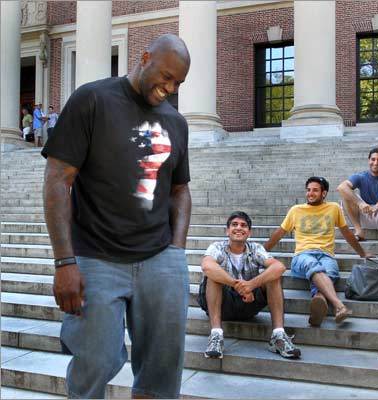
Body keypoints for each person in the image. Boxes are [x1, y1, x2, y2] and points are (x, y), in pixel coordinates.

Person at [41, 34, 192, 399]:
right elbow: (58, 180)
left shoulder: (176, 122)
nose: (170, 88)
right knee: (95, 363)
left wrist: (176, 251)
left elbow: (180, 190)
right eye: (167, 77)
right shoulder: (92, 99)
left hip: (159, 258)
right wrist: (64, 261)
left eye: (178, 83)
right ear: (144, 58)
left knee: (161, 372)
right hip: (96, 257)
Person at [265, 177, 375, 327]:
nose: (310, 193)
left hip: (326, 255)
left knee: (330, 271)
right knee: (313, 266)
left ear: (324, 193)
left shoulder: (334, 208)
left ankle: (319, 298)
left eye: (315, 190)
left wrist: (362, 253)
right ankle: (339, 306)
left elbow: (347, 233)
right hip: (302, 255)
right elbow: (279, 233)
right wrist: (261, 253)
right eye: (308, 190)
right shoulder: (296, 210)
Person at [198, 211, 301, 360]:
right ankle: (216, 336)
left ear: (249, 232)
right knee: (213, 276)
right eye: (234, 224)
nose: (239, 228)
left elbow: (279, 267)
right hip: (223, 304)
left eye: (243, 225)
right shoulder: (217, 247)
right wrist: (237, 285)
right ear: (227, 231)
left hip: (248, 304)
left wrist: (252, 285)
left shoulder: (256, 248)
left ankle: (278, 336)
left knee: (273, 276)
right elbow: (206, 266)